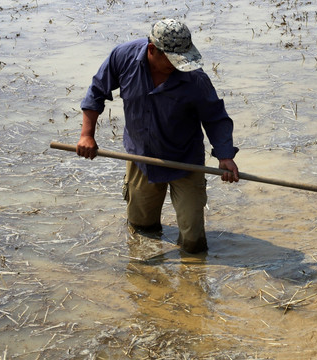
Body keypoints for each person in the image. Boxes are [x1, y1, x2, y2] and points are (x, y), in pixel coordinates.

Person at [76, 19, 239, 254]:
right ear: (152, 50)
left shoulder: (195, 78)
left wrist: (225, 155)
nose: (179, 66)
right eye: (173, 60)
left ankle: (192, 281)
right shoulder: (122, 58)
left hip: (184, 160)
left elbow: (215, 117)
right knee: (142, 230)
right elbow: (97, 91)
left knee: (193, 239)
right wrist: (86, 135)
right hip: (142, 158)